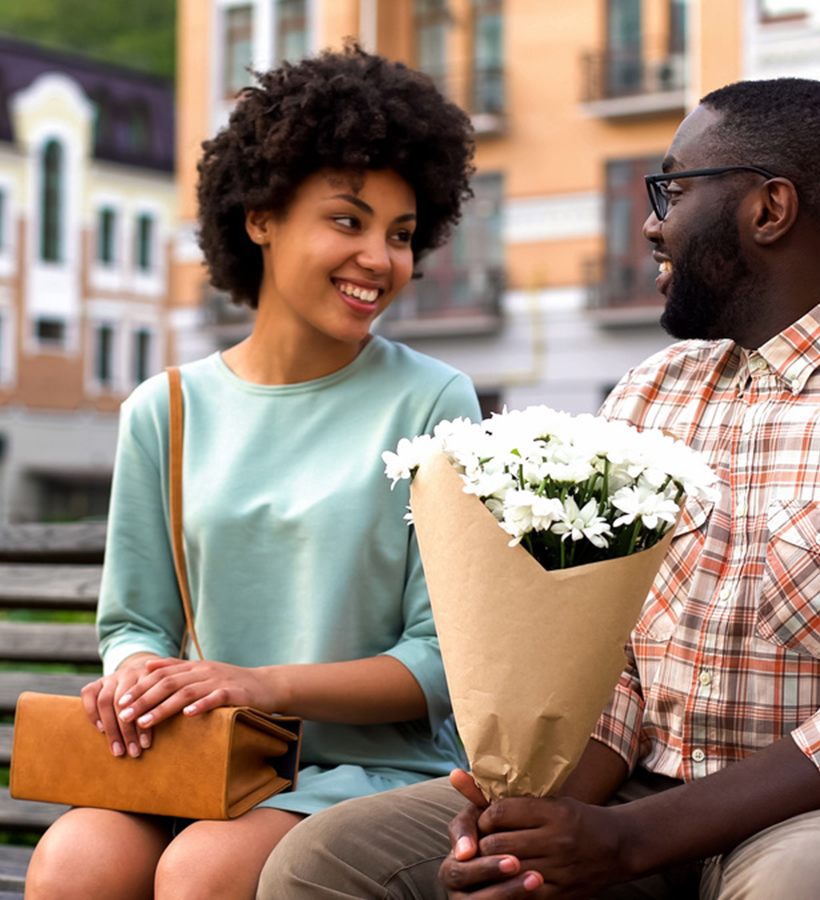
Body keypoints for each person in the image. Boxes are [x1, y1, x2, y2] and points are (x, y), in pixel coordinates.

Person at [257, 78, 820, 900]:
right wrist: (531, 824)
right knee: (324, 861)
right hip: (637, 796)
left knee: (809, 886)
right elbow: (613, 667)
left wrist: (630, 840)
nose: (651, 223)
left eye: (672, 190)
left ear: (768, 210)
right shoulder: (652, 393)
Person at [24, 45, 479, 900]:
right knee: (74, 862)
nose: (380, 259)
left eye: (402, 234)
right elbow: (134, 621)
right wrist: (136, 677)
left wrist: (257, 685)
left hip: (369, 772)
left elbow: (442, 665)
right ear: (260, 216)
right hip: (201, 762)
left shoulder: (435, 400)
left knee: (204, 872)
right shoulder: (165, 409)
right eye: (347, 221)